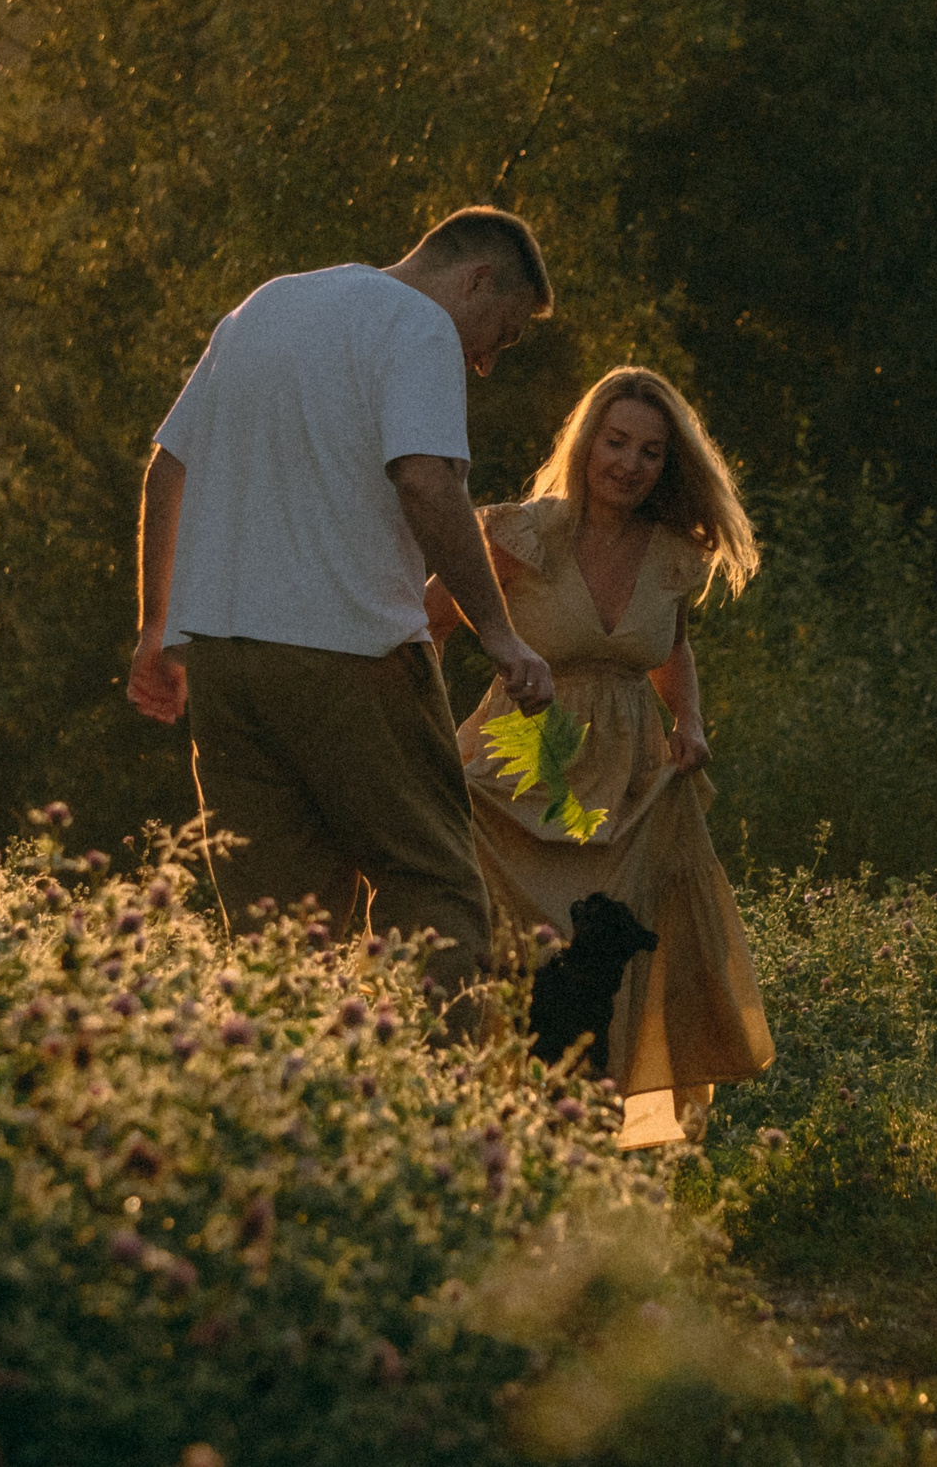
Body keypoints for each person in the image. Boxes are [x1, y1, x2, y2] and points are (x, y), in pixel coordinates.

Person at [125, 208, 559, 1013]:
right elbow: (429, 482)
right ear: (476, 279)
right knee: (433, 886)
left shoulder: (264, 308)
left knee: (276, 928)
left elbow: (166, 470)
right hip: (350, 654)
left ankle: (300, 1117)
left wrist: (157, 627)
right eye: (501, 335)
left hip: (225, 661)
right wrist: (500, 635)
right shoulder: (419, 326)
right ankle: (441, 1113)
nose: (489, 362)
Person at [427, 367, 775, 1146]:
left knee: (609, 964)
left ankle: (586, 1137)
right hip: (521, 771)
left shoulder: (674, 554)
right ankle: (474, 1126)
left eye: (651, 451)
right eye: (615, 441)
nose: (629, 462)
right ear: (587, 443)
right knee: (502, 952)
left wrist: (689, 717)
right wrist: (426, 730)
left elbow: (668, 648)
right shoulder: (524, 532)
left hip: (627, 791)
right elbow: (429, 621)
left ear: (669, 466)